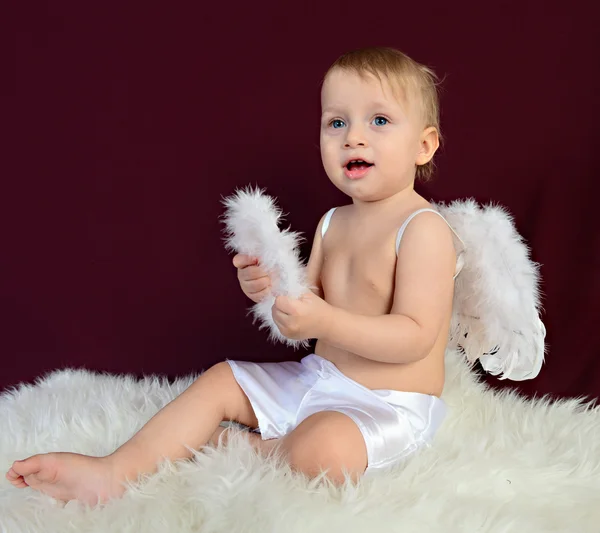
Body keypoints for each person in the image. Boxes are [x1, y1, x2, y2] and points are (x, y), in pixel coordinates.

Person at [6, 46, 462, 506]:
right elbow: (308, 307)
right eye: (336, 122)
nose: (353, 138)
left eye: (379, 121)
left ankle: (256, 449)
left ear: (424, 145)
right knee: (223, 378)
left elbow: (415, 336)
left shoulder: (423, 229)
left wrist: (324, 322)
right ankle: (115, 471)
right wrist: (272, 293)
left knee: (324, 451)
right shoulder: (332, 223)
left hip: (387, 406)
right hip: (321, 378)